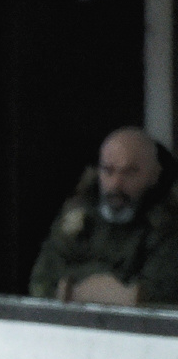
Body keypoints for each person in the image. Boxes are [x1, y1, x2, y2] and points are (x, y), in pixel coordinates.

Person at [28, 126, 178, 307]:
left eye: (130, 172)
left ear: (154, 175)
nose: (116, 183)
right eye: (108, 170)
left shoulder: (167, 225)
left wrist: (78, 289)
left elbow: (159, 296)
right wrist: (100, 290)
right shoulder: (78, 216)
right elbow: (42, 282)